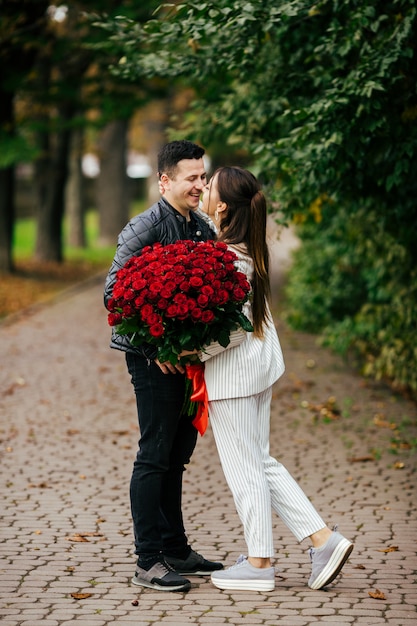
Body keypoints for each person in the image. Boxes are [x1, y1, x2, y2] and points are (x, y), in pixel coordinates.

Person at [194, 166, 354, 592]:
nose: (203, 190)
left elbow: (234, 327)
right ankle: (322, 540)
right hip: (256, 368)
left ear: (223, 205)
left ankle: (261, 563)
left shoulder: (228, 256)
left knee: (245, 467)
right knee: (260, 462)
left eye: (208, 187)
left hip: (235, 373)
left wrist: (191, 351)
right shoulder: (247, 248)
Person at [104, 140, 222, 593]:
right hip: (152, 362)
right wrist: (157, 348)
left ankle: (175, 549)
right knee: (154, 455)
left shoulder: (202, 226)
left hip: (190, 363)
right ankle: (148, 559)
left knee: (177, 457)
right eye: (191, 177)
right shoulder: (144, 228)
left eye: (202, 176)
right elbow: (114, 295)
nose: (200, 185)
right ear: (165, 180)